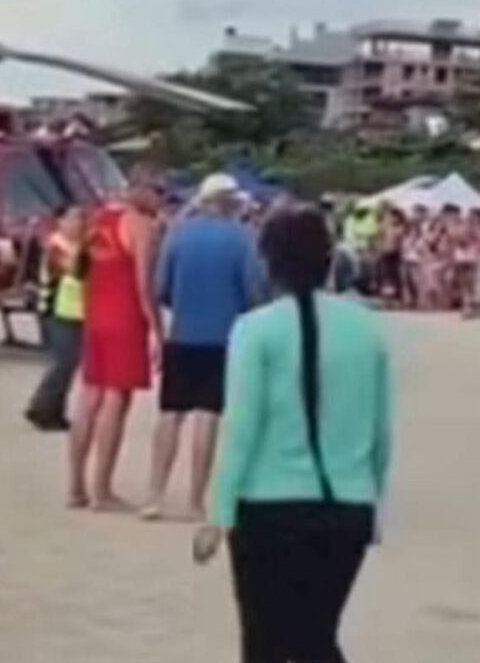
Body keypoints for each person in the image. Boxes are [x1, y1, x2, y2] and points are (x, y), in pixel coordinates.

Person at [193, 210, 393, 663]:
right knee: (316, 635)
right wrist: (374, 502)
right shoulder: (367, 330)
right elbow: (380, 432)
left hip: (269, 507)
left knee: (265, 640)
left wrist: (218, 512)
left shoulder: (254, 329)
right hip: (347, 508)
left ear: (268, 263)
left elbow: (242, 428)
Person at [141, 175, 265, 522]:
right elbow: (255, 291)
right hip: (224, 336)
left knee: (170, 413)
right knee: (208, 416)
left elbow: (160, 286)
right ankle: (195, 500)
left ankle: (155, 494)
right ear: (230, 203)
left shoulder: (178, 235)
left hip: (182, 333)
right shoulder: (244, 239)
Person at [68, 178, 163, 511]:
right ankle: (102, 489)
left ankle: (76, 485)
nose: (160, 200)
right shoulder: (141, 227)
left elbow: (78, 267)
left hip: (96, 314)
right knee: (116, 400)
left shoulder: (97, 220)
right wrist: (158, 331)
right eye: (158, 191)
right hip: (125, 317)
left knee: (89, 397)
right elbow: (144, 286)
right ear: (142, 190)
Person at [25, 206, 86, 432]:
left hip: (75, 310)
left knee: (68, 363)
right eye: (73, 218)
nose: (79, 223)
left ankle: (55, 411)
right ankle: (40, 406)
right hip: (55, 311)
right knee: (63, 362)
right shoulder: (55, 247)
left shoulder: (77, 246)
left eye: (81, 218)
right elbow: (74, 271)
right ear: (59, 221)